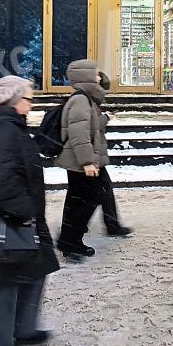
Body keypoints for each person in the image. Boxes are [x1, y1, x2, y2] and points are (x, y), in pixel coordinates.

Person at [0, 76, 59, 346]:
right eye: (29, 99)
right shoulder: (4, 131)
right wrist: (24, 211)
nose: (31, 105)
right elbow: (1, 179)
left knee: (32, 271)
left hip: (16, 219)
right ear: (14, 101)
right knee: (2, 282)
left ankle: (23, 329)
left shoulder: (10, 127)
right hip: (7, 221)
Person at [56, 59, 132, 262]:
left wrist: (105, 118)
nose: (99, 77)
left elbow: (90, 124)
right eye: (95, 73)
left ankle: (69, 240)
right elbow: (79, 134)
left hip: (84, 160)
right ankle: (70, 240)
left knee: (81, 199)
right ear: (86, 76)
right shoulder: (81, 100)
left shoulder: (85, 99)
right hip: (82, 162)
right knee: (85, 200)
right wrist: (87, 162)